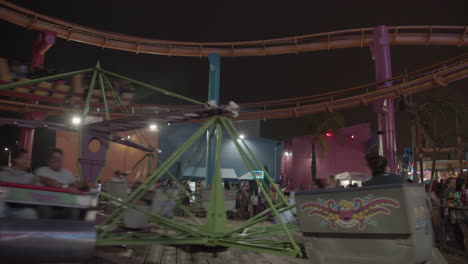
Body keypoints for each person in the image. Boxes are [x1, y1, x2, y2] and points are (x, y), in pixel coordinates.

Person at [0, 149, 38, 219]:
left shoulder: (31, 177)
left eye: (28, 159)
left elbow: (37, 193)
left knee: (30, 214)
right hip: (5, 205)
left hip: (21, 208)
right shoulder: (3, 174)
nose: (27, 161)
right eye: (24, 158)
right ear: (15, 159)